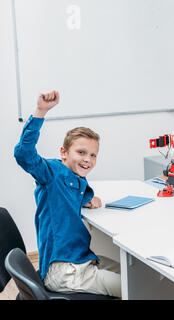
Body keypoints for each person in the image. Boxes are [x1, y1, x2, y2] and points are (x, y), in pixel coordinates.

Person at [14, 91, 121, 298]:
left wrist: (88, 199)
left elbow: (70, 193)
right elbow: (23, 154)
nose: (87, 160)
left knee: (134, 272)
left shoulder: (74, 179)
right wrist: (41, 111)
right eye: (80, 152)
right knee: (133, 286)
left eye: (92, 155)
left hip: (80, 259)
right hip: (65, 271)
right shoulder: (52, 173)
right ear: (64, 152)